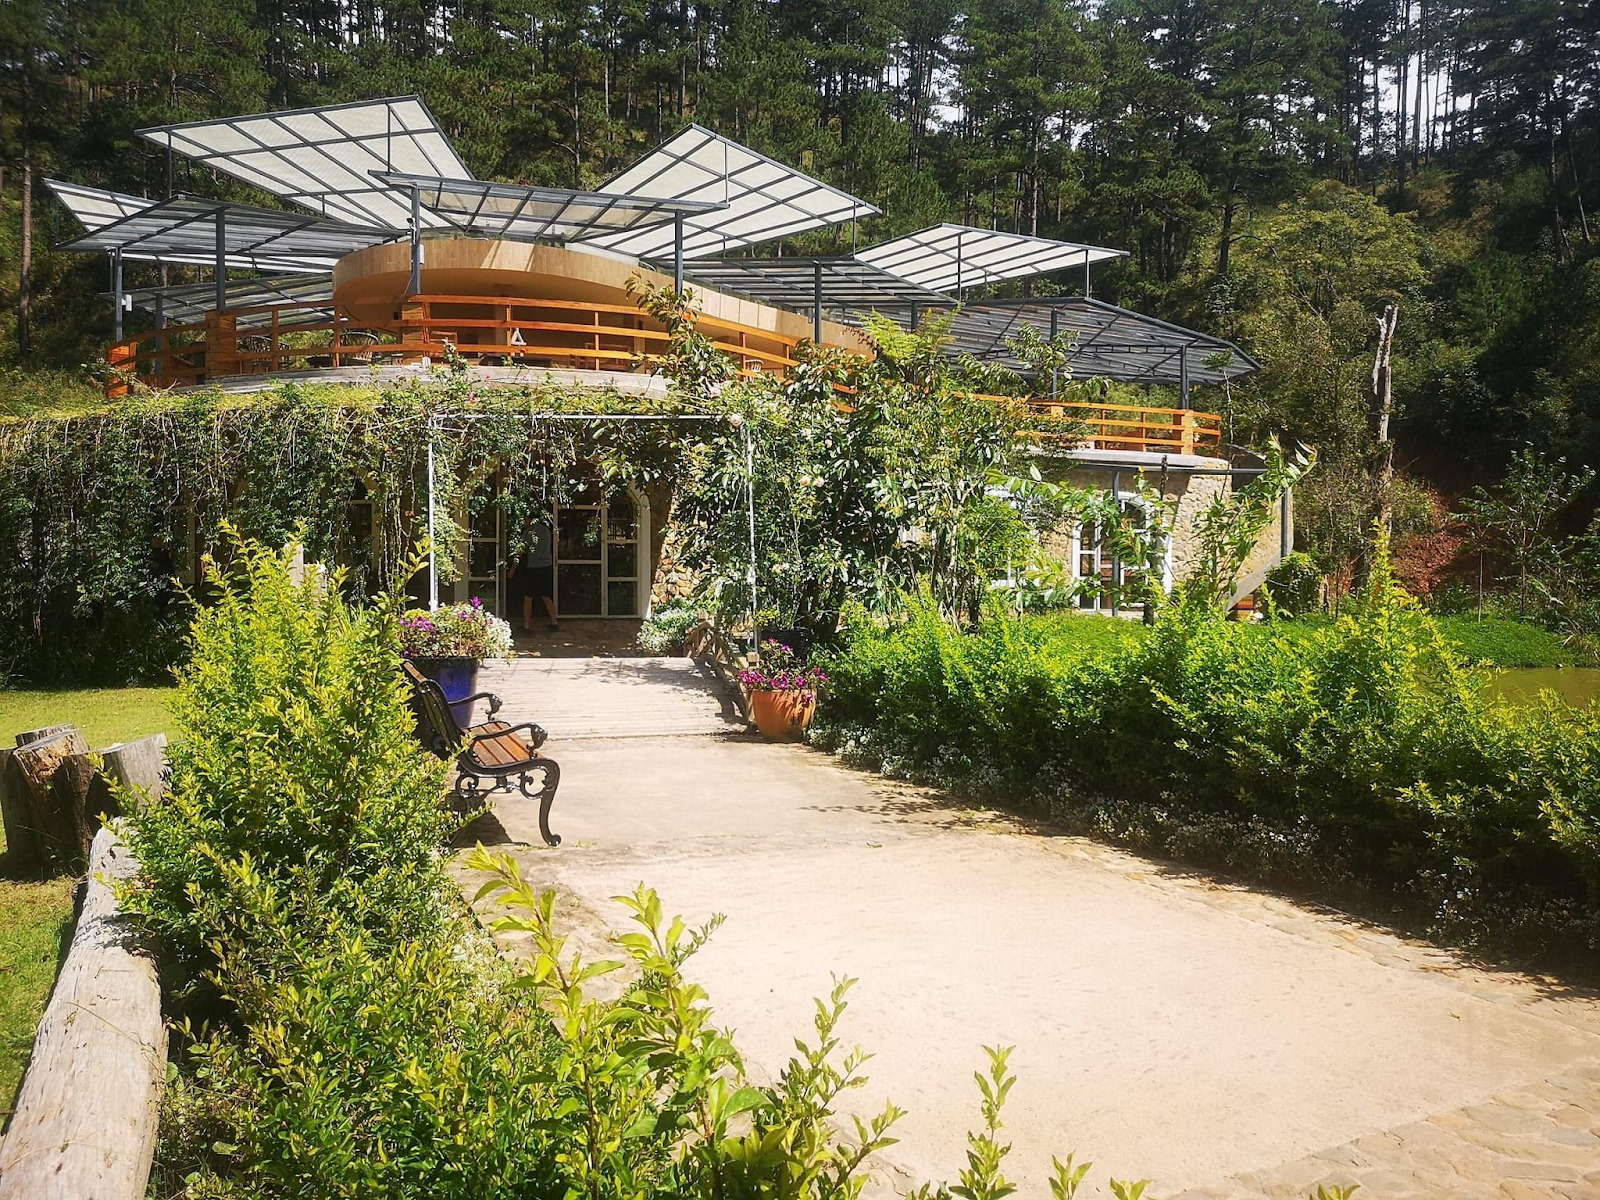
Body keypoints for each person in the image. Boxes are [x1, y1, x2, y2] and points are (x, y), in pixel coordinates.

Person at [508, 515, 559, 632]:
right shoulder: (546, 530)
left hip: (534, 567)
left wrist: (512, 570)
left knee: (528, 597)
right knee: (546, 596)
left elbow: (519, 552)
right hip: (546, 566)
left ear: (530, 519)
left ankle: (526, 626)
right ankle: (554, 622)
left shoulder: (529, 533)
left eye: (525, 519)